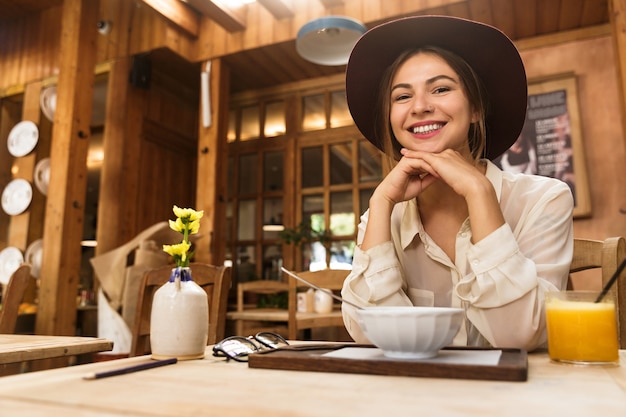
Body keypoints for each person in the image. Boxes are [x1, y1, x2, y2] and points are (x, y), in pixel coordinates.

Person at [341, 15, 574, 351]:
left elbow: (519, 336)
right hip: (416, 395)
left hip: (519, 398)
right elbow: (371, 334)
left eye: (441, 89)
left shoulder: (544, 199)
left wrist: (479, 193)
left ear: (476, 108)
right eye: (402, 97)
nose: (420, 106)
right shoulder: (382, 217)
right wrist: (379, 203)